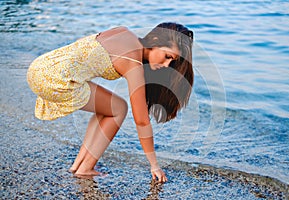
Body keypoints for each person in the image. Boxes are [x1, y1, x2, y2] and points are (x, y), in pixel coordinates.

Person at [27, 22, 194, 183]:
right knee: (119, 108)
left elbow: (82, 45)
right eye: (167, 57)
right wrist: (154, 166)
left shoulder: (123, 31)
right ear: (156, 40)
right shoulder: (133, 63)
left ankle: (78, 166)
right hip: (55, 80)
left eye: (171, 62)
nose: (167, 65)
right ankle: (85, 169)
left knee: (109, 108)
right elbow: (141, 120)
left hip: (40, 67)